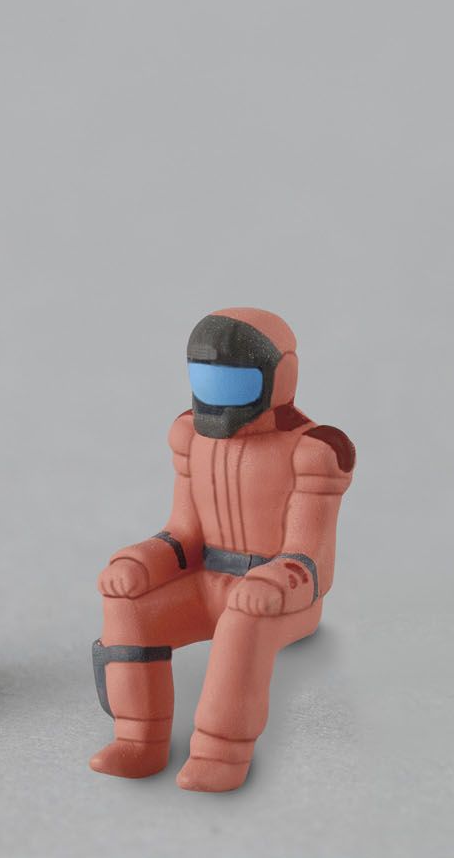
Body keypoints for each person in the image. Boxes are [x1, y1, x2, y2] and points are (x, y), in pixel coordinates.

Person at [91, 308, 356, 791]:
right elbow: (183, 533)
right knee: (128, 605)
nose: (217, 395)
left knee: (241, 622)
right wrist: (140, 561)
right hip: (204, 583)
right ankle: (137, 739)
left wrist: (276, 582)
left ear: (278, 377)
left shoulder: (312, 450)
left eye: (235, 382)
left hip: (280, 598)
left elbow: (311, 557)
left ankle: (221, 753)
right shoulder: (190, 437)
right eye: (206, 378)